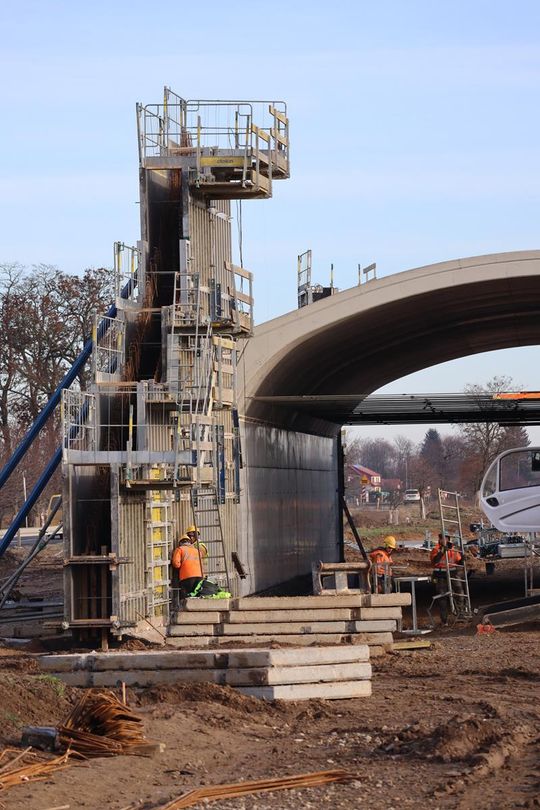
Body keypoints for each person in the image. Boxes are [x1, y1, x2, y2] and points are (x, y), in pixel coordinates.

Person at [430, 533, 464, 625]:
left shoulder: (453, 549)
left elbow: (458, 561)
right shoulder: (436, 549)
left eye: (447, 538)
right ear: (440, 539)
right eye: (443, 538)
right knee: (442, 597)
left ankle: (460, 614)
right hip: (440, 574)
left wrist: (462, 559)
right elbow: (434, 561)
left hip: (453, 572)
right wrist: (442, 551)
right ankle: (444, 620)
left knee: (459, 593)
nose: (445, 540)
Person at [171, 533, 204, 600]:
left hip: (186, 577)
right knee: (196, 596)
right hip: (199, 576)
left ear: (180, 543)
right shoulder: (197, 551)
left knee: (186, 597)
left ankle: (185, 609)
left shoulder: (180, 549)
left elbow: (176, 564)